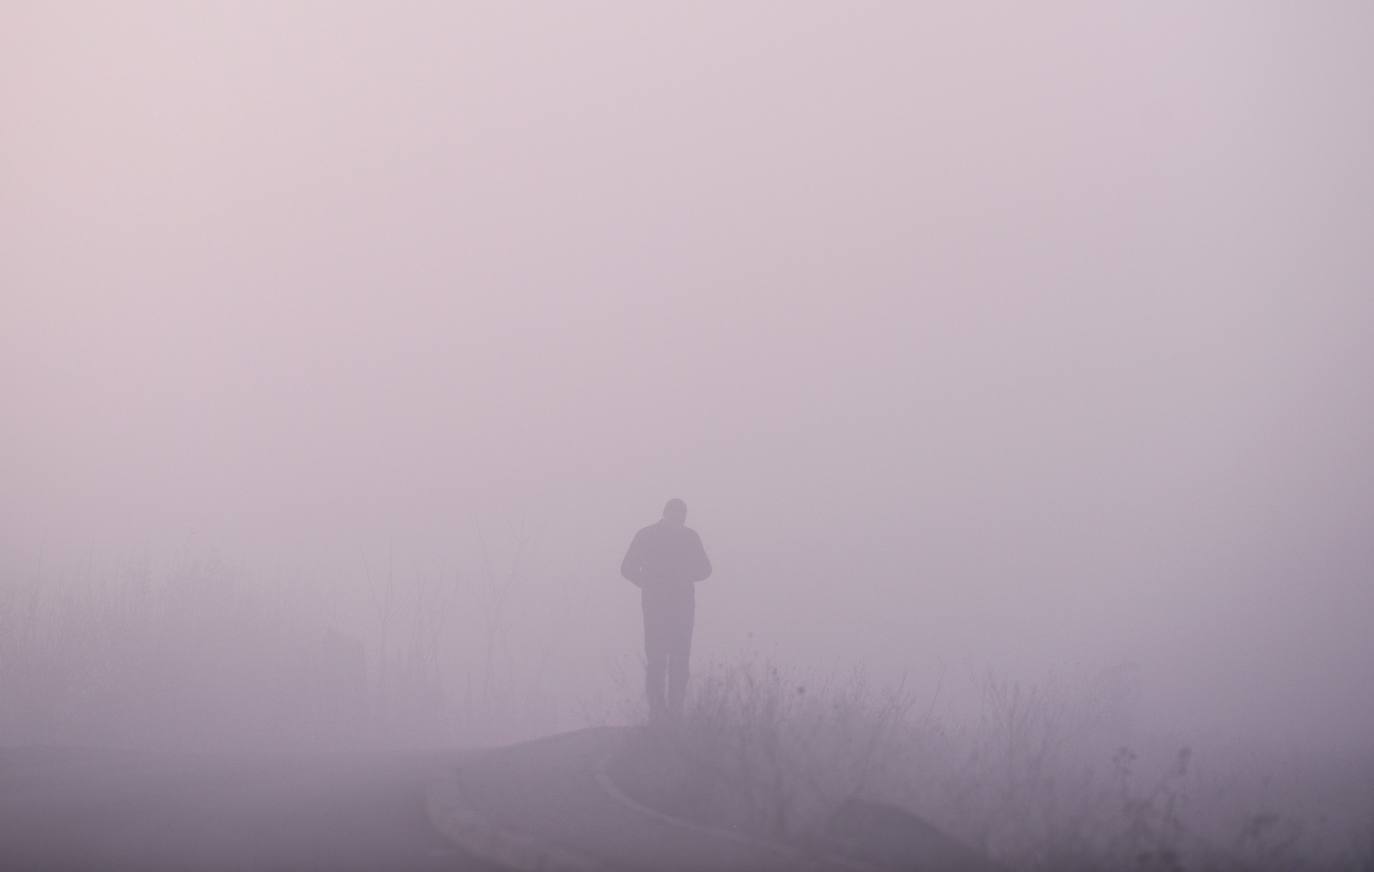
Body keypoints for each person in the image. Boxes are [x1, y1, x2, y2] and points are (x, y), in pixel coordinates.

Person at [620, 498, 712, 720]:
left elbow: (705, 570)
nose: (678, 520)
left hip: (672, 607)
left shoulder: (685, 537)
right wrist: (650, 582)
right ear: (667, 514)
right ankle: (660, 715)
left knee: (674, 660)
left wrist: (676, 577)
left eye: (681, 516)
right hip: (662, 607)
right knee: (660, 661)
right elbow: (627, 568)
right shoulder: (655, 535)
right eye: (676, 515)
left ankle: (672, 715)